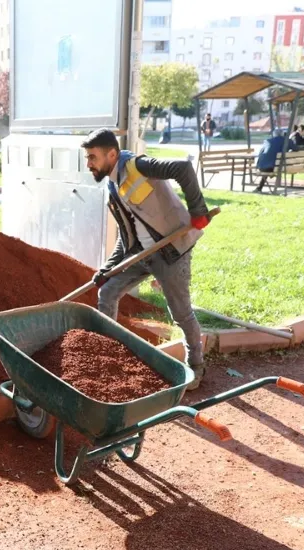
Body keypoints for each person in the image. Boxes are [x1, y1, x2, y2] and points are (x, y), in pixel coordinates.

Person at [82, 129, 210, 389]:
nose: (89, 164)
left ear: (112, 154)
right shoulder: (113, 185)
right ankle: (109, 356)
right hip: (142, 254)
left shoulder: (139, 165)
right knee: (107, 292)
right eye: (88, 158)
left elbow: (183, 168)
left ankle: (196, 365)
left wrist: (198, 211)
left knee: (181, 314)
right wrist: (108, 268)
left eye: (93, 157)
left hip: (171, 251)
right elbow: (126, 236)